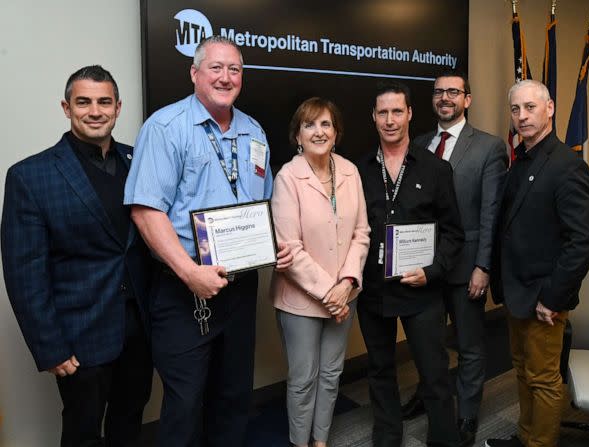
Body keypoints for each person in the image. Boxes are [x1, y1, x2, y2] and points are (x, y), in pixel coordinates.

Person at [123, 36, 293, 446]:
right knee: (185, 405)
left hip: (239, 288)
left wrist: (276, 244)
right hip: (185, 292)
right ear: (194, 73)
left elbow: (262, 203)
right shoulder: (165, 128)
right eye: (215, 68)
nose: (225, 77)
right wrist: (188, 273)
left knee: (234, 397)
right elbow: (146, 211)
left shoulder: (253, 130)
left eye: (234, 69)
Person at [1, 65, 153, 447]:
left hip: (141, 328)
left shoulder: (140, 161)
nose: (95, 111)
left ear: (118, 108)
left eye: (104, 102)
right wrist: (49, 345)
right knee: (83, 430)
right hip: (80, 336)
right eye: (83, 102)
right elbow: (24, 272)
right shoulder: (30, 176)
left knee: (130, 419)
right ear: (66, 108)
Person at [485, 79, 589, 447]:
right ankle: (527, 436)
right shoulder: (521, 159)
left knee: (544, 380)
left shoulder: (567, 165)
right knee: (523, 371)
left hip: (543, 299)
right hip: (518, 291)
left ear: (549, 108)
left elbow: (584, 240)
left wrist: (552, 297)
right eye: (516, 109)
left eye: (530, 107)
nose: (522, 116)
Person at [357, 81, 465, 447]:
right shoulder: (358, 171)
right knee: (380, 370)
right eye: (383, 113)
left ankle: (443, 439)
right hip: (374, 291)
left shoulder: (436, 170)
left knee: (434, 373)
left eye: (397, 112)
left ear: (410, 115)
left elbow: (453, 234)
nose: (390, 120)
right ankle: (387, 435)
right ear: (374, 117)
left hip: (422, 288)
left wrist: (432, 271)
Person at [402, 70, 508, 444]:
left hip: (466, 268)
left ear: (468, 99)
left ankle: (465, 414)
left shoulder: (489, 147)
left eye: (453, 92)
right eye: (438, 92)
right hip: (425, 268)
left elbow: (491, 212)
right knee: (427, 342)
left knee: (469, 345)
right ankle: (428, 395)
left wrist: (483, 266)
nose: (445, 97)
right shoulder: (418, 143)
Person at [271, 97, 370, 447]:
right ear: (297, 135)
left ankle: (321, 441)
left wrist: (347, 284)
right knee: (304, 379)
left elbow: (362, 233)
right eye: (309, 125)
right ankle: (300, 443)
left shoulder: (349, 171)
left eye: (326, 124)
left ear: (336, 132)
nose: (318, 131)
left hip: (345, 295)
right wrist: (333, 293)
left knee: (331, 374)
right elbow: (289, 248)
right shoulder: (287, 177)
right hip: (301, 299)